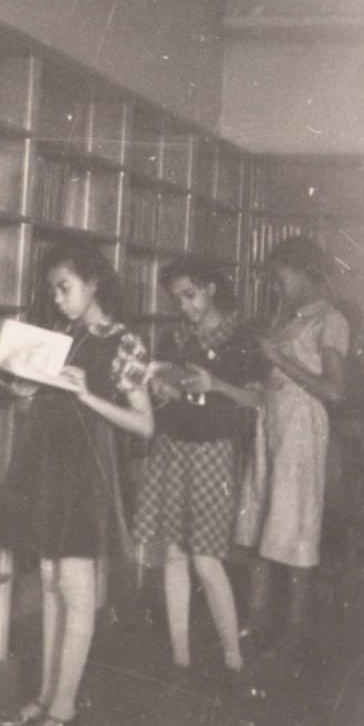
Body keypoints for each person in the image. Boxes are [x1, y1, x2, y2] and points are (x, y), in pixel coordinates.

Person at [0, 240, 153, 726]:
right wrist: (20, 391)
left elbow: (144, 425)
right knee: (51, 584)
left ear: (94, 283)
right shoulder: (61, 336)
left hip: (85, 474)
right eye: (52, 290)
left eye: (65, 288)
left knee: (77, 592)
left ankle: (63, 706)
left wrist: (87, 395)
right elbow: (40, 403)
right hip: (45, 469)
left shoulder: (125, 343)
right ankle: (45, 696)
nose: (57, 299)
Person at [132, 256, 266, 679]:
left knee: (206, 557)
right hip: (173, 446)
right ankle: (180, 656)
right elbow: (163, 388)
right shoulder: (175, 337)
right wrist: (160, 386)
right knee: (173, 552)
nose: (186, 306)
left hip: (213, 450)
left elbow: (258, 400)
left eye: (191, 296)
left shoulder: (241, 338)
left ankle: (232, 656)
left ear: (210, 288)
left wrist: (216, 385)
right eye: (178, 299)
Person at [235, 236, 349, 674]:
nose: (275, 283)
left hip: (302, 430)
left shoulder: (330, 320)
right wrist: (260, 384)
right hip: (271, 423)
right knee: (262, 520)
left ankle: (295, 631)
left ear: (300, 269)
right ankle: (257, 620)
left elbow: (336, 392)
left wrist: (279, 363)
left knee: (297, 526)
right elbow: (275, 374)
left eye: (279, 273)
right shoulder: (287, 316)